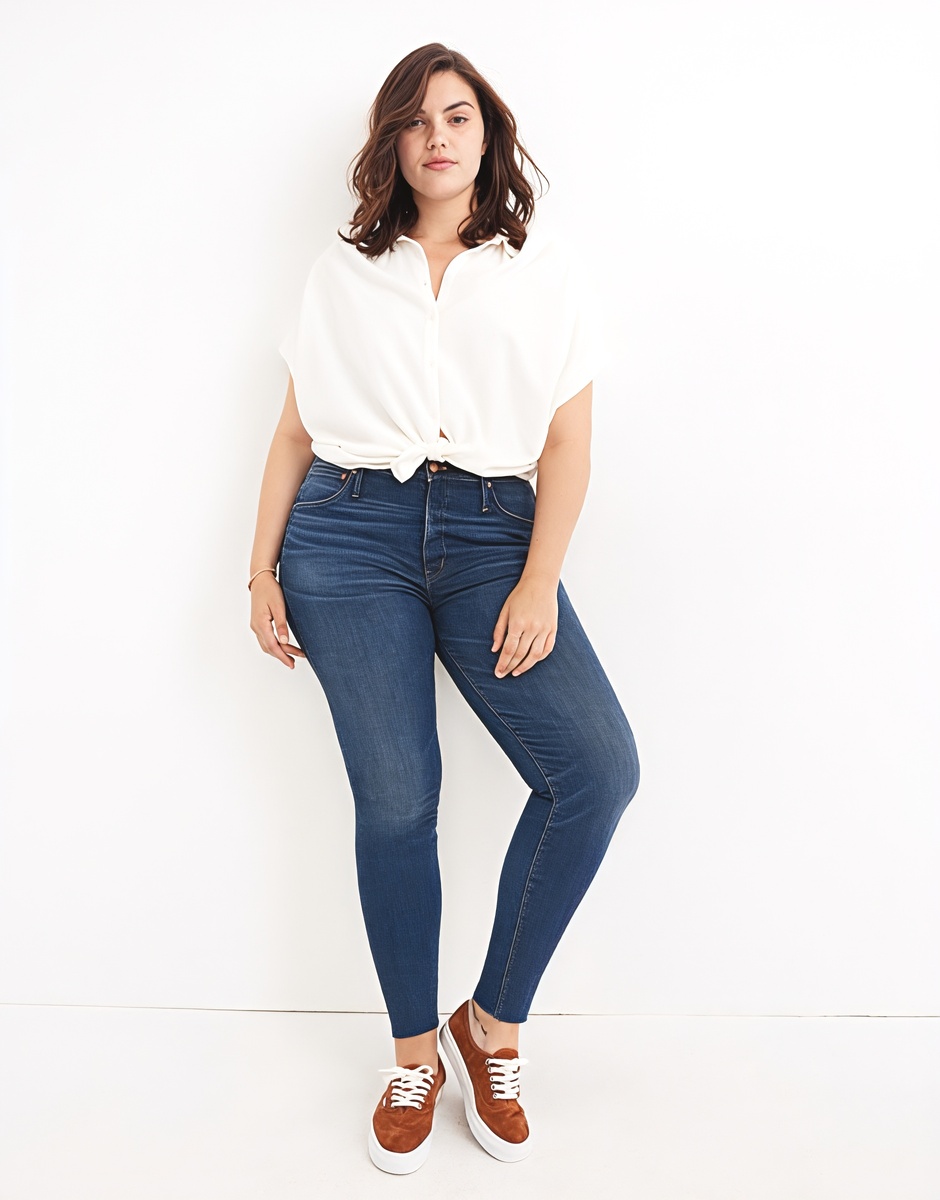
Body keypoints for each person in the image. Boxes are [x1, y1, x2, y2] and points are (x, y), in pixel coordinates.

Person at [248, 42, 641, 1175]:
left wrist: (538, 579)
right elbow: (294, 429)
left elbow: (567, 446)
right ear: (393, 141)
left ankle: (491, 1024)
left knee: (596, 771)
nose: (437, 137)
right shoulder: (343, 270)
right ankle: (413, 1054)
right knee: (396, 801)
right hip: (345, 536)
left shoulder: (541, 269)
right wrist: (260, 570)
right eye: (416, 120)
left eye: (457, 116)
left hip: (491, 535)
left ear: (487, 134)